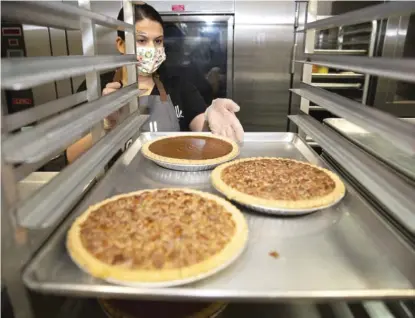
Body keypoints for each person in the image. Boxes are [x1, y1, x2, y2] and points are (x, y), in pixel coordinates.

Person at [66, 3, 244, 164]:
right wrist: (105, 126)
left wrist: (211, 116)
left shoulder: (179, 86)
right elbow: (71, 156)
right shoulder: (95, 88)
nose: (151, 49)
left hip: (171, 192)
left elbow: (201, 129)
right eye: (141, 40)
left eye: (157, 41)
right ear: (121, 44)